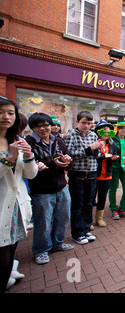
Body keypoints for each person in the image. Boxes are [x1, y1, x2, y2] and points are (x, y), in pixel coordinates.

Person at [0, 96, 38, 292]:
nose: (6, 117)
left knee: (11, 250)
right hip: (1, 207)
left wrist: (29, 156)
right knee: (3, 255)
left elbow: (30, 175)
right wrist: (9, 159)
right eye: (1, 112)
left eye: (10, 112)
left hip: (18, 206)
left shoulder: (17, 140)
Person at [25, 113, 74, 264]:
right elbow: (34, 165)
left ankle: (57, 243)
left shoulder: (58, 140)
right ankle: (41, 250)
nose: (43, 128)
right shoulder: (29, 143)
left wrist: (67, 161)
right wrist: (54, 163)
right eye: (38, 126)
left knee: (63, 217)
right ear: (33, 128)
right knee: (43, 222)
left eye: (46, 125)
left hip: (61, 187)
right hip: (41, 190)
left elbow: (68, 157)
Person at [65, 111, 102, 244]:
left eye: (89, 123)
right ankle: (77, 233)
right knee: (77, 205)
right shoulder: (70, 135)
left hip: (92, 174)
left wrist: (97, 149)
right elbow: (69, 155)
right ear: (77, 122)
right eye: (84, 123)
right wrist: (90, 149)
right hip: (77, 175)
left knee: (88, 204)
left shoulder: (93, 135)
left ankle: (87, 229)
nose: (86, 126)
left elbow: (96, 156)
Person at [92, 120, 118, 227]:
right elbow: (91, 157)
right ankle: (88, 220)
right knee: (90, 198)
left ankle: (99, 218)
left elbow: (114, 156)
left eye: (109, 132)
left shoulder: (112, 144)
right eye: (104, 131)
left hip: (107, 175)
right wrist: (103, 157)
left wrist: (114, 158)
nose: (106, 134)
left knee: (102, 198)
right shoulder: (94, 143)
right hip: (94, 175)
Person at [109, 122, 125, 219]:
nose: (124, 130)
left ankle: (123, 208)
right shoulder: (112, 140)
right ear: (117, 129)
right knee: (113, 189)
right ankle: (114, 209)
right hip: (114, 167)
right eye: (122, 128)